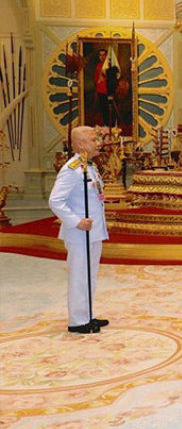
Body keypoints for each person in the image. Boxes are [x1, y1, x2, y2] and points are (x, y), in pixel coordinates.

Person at [49, 126, 110, 334]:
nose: (98, 143)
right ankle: (77, 320)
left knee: (90, 274)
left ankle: (87, 314)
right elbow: (55, 200)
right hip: (79, 232)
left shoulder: (88, 167)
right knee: (79, 275)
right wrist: (75, 221)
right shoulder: (72, 169)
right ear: (81, 144)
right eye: (93, 140)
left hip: (92, 231)